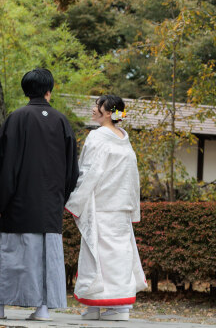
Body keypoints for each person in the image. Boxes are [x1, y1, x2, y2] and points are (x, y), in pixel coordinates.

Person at [0, 68, 79, 321]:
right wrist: (59, 198)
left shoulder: (17, 118)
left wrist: (0, 197)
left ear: (26, 91)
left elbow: (5, 164)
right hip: (49, 205)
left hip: (19, 202)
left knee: (9, 255)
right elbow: (72, 171)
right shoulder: (61, 121)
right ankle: (42, 309)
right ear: (49, 91)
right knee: (45, 258)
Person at [65, 94, 146, 322]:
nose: (93, 109)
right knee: (119, 256)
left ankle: (106, 306)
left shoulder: (98, 137)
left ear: (109, 112)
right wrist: (132, 207)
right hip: (120, 206)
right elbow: (133, 178)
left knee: (96, 256)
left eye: (97, 106)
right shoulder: (124, 139)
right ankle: (112, 307)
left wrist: (75, 199)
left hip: (101, 206)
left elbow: (89, 171)